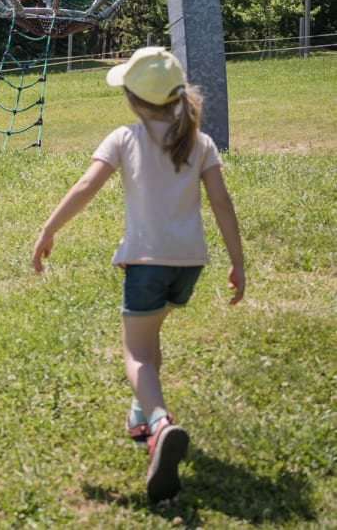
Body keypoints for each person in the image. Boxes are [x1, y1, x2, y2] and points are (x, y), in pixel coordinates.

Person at [32, 46, 245, 504]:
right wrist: (238, 261)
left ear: (131, 97)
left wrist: (49, 229)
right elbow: (222, 204)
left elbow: (86, 186)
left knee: (136, 354)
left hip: (146, 265)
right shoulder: (200, 142)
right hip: (189, 266)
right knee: (150, 340)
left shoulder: (124, 139)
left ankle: (161, 422)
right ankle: (140, 415)